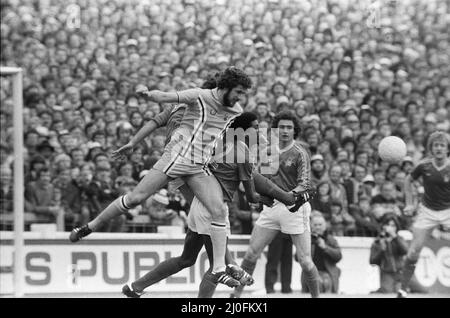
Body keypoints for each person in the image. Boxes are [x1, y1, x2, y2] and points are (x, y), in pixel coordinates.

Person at [70, 67, 253, 287]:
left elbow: (229, 134)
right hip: (175, 159)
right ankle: (89, 227)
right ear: (223, 87)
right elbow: (163, 99)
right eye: (238, 92)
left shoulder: (236, 110)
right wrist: (147, 95)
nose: (240, 98)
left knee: (217, 210)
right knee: (136, 198)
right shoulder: (197, 97)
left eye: (243, 93)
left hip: (198, 166)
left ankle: (220, 269)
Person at [231, 111, 320, 298]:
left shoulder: (300, 153)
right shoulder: (265, 152)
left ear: (295, 130)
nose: (285, 131)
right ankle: (235, 296)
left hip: (294, 208)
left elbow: (304, 183)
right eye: (281, 127)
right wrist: (258, 195)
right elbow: (255, 177)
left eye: (289, 127)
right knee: (251, 254)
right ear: (275, 129)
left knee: (304, 260)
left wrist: (288, 196)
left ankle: (316, 297)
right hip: (271, 208)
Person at [397, 131, 450, 298]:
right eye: (436, 145)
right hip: (427, 211)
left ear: (447, 148)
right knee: (413, 252)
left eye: (442, 145)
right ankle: (403, 289)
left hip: (448, 210)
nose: (439, 148)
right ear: (431, 148)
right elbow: (408, 180)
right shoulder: (424, 165)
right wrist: (409, 203)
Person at [300, 212, 342, 294]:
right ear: (311, 226)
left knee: (326, 283)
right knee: (317, 283)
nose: (318, 227)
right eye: (315, 225)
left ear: (325, 226)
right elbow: (297, 257)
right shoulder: (307, 239)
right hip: (311, 273)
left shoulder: (331, 239)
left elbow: (338, 256)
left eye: (320, 224)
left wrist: (325, 247)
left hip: (327, 273)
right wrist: (307, 246)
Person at [370, 213, 408, 293]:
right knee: (387, 292)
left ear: (396, 227)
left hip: (400, 273)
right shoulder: (378, 242)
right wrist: (382, 250)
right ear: (383, 226)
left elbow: (405, 250)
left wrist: (395, 237)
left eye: (393, 225)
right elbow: (372, 261)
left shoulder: (399, 239)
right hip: (387, 274)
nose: (390, 228)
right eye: (388, 225)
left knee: (401, 292)